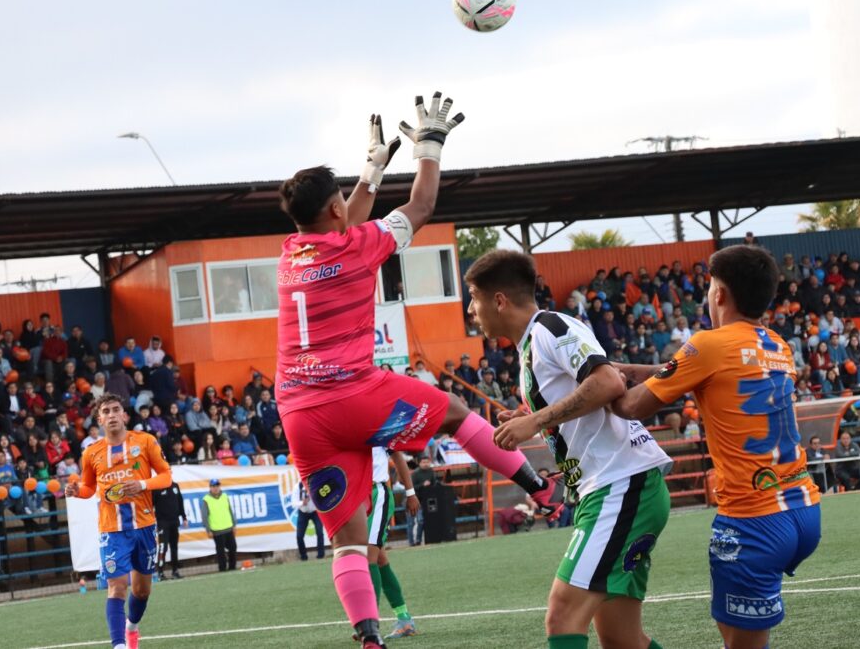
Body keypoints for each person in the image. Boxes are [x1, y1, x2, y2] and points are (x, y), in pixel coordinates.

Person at [274, 99, 562, 648]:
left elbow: (345, 218)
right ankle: (541, 490)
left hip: (299, 414)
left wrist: (371, 172)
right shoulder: (357, 247)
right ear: (334, 208)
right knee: (455, 413)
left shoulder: (291, 253)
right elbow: (423, 204)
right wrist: (429, 146)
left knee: (349, 542)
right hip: (350, 393)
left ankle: (369, 637)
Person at [611, 245, 821, 649]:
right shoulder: (778, 345)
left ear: (719, 294)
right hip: (803, 508)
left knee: (741, 642)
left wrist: (600, 383)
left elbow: (630, 407)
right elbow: (706, 372)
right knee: (735, 629)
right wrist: (636, 370)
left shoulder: (707, 344)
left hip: (753, 518)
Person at [466, 249, 672, 649]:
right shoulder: (532, 344)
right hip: (616, 486)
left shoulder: (550, 327)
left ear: (499, 300)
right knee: (621, 639)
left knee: (562, 616)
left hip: (621, 484)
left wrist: (534, 421)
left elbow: (607, 382)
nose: (472, 310)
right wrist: (529, 414)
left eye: (474, 298)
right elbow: (581, 392)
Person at [65, 393, 172, 649]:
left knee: (142, 590)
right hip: (112, 530)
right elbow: (88, 488)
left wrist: (142, 484)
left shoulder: (145, 441)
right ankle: (119, 645)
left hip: (144, 526)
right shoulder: (91, 453)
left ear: (124, 415)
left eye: (115, 410)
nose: (112, 415)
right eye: (106, 412)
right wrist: (76, 491)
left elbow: (166, 476)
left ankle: (131, 627)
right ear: (99, 420)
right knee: (117, 587)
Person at [365, 448, 420, 640]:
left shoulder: (380, 430)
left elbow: (397, 455)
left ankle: (368, 624)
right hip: (356, 496)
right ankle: (404, 619)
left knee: (367, 558)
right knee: (380, 560)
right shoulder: (345, 430)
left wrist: (410, 493)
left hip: (377, 494)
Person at [152, 481, 187, 580]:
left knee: (174, 547)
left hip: (174, 521)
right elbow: (151, 504)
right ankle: (160, 573)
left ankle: (175, 571)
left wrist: (184, 517)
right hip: (163, 523)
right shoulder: (156, 487)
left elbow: (180, 501)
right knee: (163, 547)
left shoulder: (175, 485)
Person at [201, 479, 237, 572]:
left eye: (217, 486)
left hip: (229, 528)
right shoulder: (206, 499)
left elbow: (230, 510)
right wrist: (208, 530)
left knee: (233, 548)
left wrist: (234, 524)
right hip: (217, 530)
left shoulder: (225, 496)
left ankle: (232, 567)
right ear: (210, 487)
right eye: (213, 486)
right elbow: (204, 516)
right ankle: (222, 568)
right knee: (220, 551)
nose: (216, 488)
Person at [291, 478, 325, 561]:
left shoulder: (315, 484)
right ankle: (303, 556)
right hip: (303, 512)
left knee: (320, 533)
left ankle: (320, 555)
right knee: (299, 536)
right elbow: (293, 503)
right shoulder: (297, 487)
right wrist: (302, 503)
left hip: (315, 511)